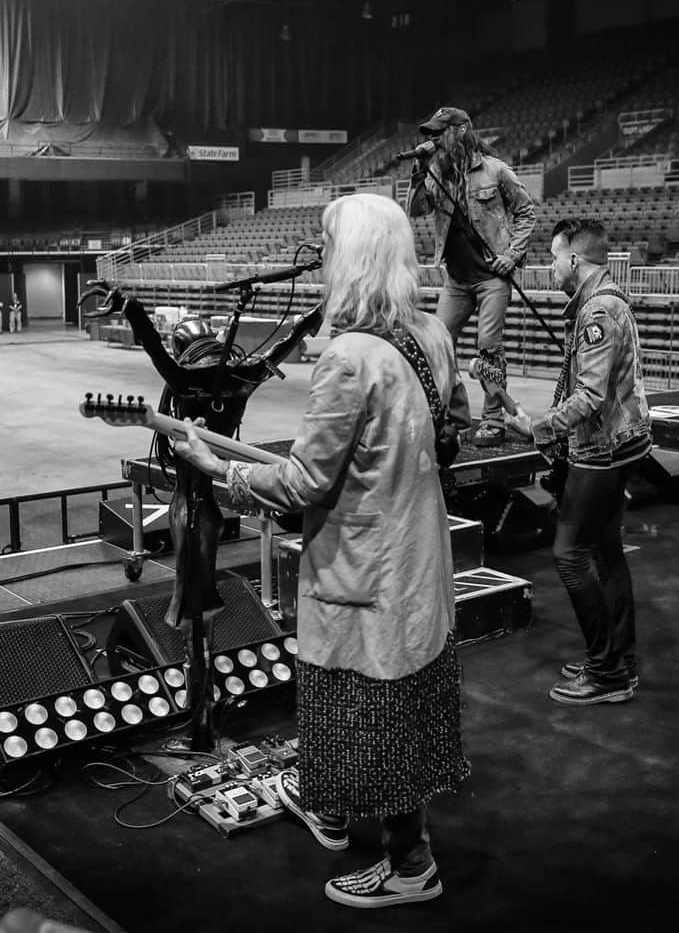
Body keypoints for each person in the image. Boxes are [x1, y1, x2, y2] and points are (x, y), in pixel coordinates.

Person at [173, 193, 472, 909]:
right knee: (397, 702)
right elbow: (455, 422)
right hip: (416, 555)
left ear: (353, 258)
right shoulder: (430, 334)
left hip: (364, 564)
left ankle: (410, 867)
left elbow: (306, 480)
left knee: (367, 706)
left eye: (332, 245)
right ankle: (333, 810)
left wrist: (221, 472)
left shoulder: (347, 357)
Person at [506, 218, 651, 706]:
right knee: (605, 552)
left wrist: (538, 428)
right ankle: (619, 660)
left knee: (569, 554)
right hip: (618, 445)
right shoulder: (601, 304)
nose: (550, 266)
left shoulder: (598, 311)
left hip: (602, 451)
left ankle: (606, 670)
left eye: (552, 256)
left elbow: (588, 395)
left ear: (573, 259)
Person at [406, 106, 536, 445]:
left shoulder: (495, 171)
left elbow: (526, 212)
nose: (433, 138)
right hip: (457, 279)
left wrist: (512, 255)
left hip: (491, 276)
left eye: (439, 131)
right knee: (437, 342)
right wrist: (419, 170)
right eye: (430, 133)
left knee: (488, 346)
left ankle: (494, 420)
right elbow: (416, 210)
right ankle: (453, 415)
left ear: (461, 130)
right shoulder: (436, 172)